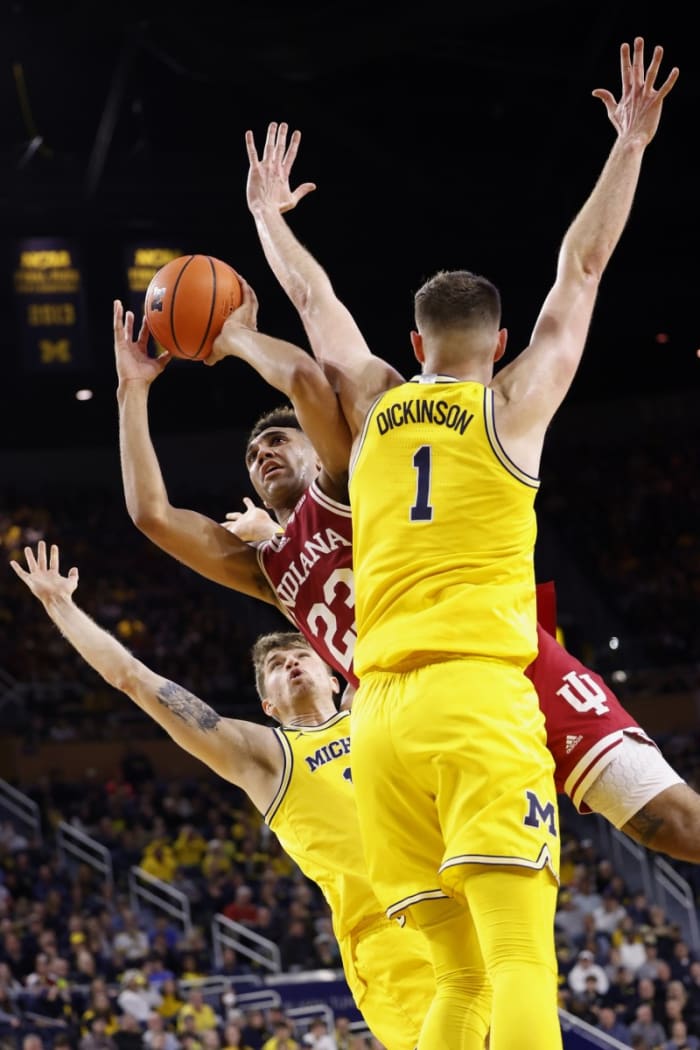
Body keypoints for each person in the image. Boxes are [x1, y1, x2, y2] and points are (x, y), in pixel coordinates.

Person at [236, 37, 678, 1050]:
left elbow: (312, 305)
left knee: (458, 977)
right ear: (501, 346)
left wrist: (266, 216)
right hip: (478, 696)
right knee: (520, 957)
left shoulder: (378, 400)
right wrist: (630, 145)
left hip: (380, 718)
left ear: (414, 338)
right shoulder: (511, 409)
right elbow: (583, 266)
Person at [10, 541, 434, 1050]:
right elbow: (135, 681)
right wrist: (60, 605)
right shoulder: (266, 754)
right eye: (276, 665)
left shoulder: (377, 713)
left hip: (461, 901)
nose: (291, 664)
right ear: (268, 703)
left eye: (301, 655)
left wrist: (281, 536)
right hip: (391, 940)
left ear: (332, 669)